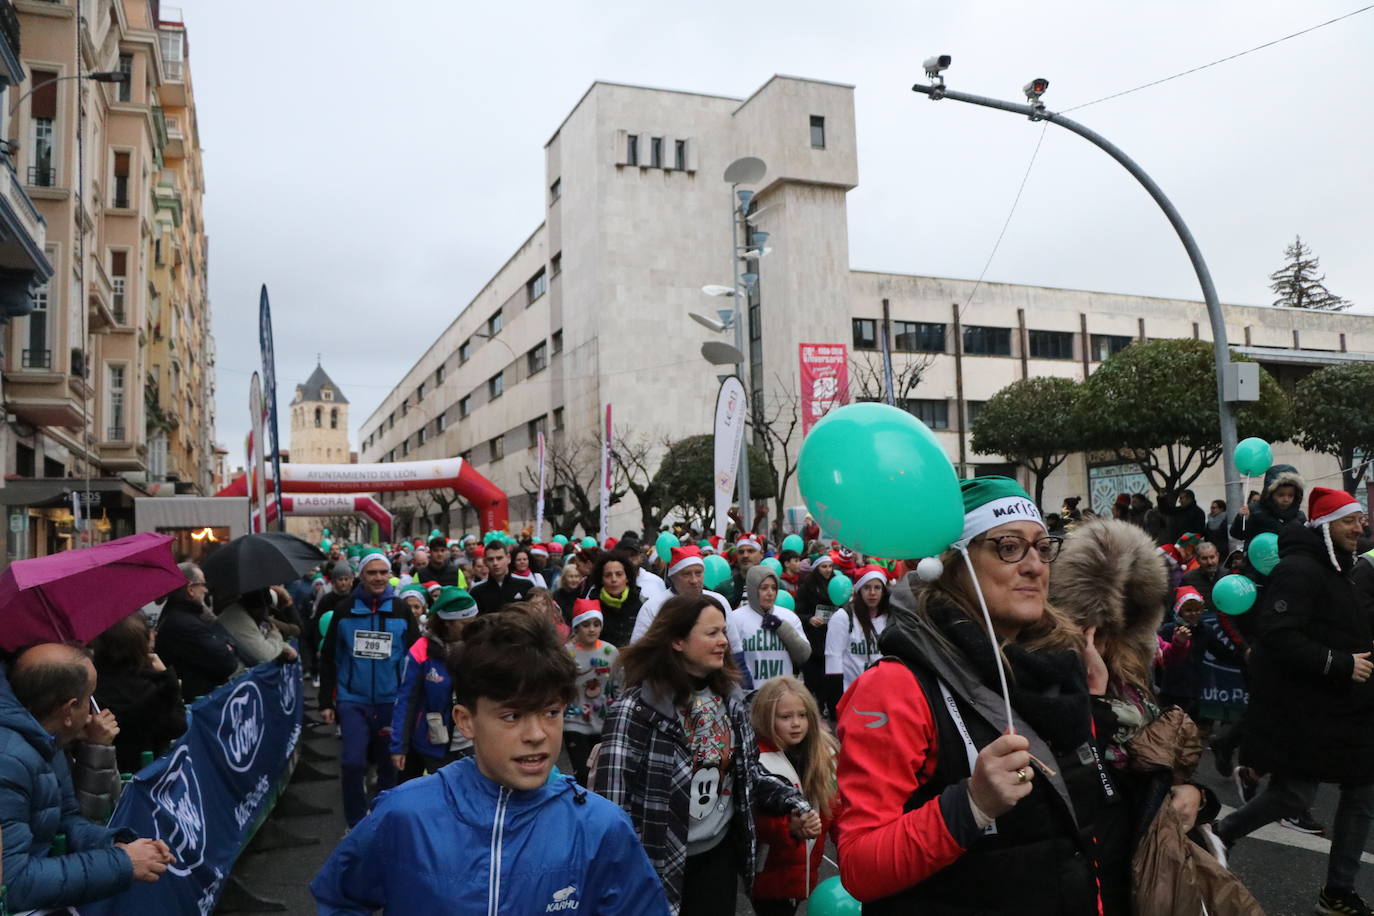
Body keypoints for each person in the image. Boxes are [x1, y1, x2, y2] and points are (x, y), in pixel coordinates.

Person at [835, 476, 1123, 914]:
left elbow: (1072, 821)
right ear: (954, 565)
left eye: (1043, 548)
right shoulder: (894, 687)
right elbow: (859, 866)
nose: (1034, 566)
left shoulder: (1063, 667)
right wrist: (971, 805)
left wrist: (1100, 711)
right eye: (1009, 546)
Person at [312, 611, 668, 915]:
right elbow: (339, 897)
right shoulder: (402, 815)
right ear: (465, 721)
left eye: (551, 712)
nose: (537, 734)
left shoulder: (602, 828)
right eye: (512, 715)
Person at [595, 595, 807, 915]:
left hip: (716, 861)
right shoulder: (636, 709)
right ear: (678, 641)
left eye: (724, 632)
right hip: (654, 866)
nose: (724, 641)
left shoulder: (732, 703)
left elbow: (749, 775)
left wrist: (793, 802)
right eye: (712, 633)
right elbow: (611, 804)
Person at [1216, 487, 1374, 914]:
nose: (1359, 527)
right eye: (1349, 520)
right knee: (1294, 797)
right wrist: (1340, 663)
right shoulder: (1299, 569)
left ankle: (1338, 891)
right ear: (1325, 526)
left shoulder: (1344, 568)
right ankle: (1220, 833)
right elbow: (1279, 635)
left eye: (1360, 519)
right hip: (1309, 707)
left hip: (1349, 707)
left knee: (1361, 792)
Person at [0, 644, 175, 911]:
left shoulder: (45, 739)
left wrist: (113, 843)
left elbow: (66, 819)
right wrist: (123, 862)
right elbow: (13, 884)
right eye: (90, 697)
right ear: (69, 710)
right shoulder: (9, 761)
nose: (95, 713)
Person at [319, 551, 422, 828]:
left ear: (390, 575)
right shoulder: (344, 610)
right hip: (354, 700)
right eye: (371, 572)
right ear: (361, 576)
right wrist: (326, 702)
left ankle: (383, 818)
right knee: (353, 762)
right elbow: (328, 656)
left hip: (391, 700)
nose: (377, 578)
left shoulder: (401, 609)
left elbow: (416, 656)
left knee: (389, 765)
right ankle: (355, 822)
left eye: (382, 572)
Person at [750, 676, 835, 916]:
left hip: (805, 872)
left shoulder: (821, 754)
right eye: (786, 717)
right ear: (766, 717)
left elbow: (833, 807)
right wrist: (790, 828)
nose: (796, 724)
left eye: (802, 715)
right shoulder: (758, 760)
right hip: (770, 877)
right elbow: (752, 819)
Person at [390, 586, 478, 782]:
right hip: (433, 743)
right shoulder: (421, 650)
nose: (471, 628)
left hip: (472, 741)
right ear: (447, 623)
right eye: (464, 623)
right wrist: (399, 746)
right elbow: (405, 701)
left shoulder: (479, 647)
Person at [90, 614, 188, 774]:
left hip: (110, 771)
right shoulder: (150, 686)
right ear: (141, 645)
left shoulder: (93, 684)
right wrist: (168, 680)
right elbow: (177, 726)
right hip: (146, 773)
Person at [154, 562, 243, 702]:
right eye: (203, 584)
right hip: (197, 700)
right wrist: (226, 646)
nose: (206, 590)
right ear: (190, 589)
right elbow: (227, 663)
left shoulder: (182, 616)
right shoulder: (185, 624)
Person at [562, 598, 620, 785]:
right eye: (586, 625)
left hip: (603, 721)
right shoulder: (565, 653)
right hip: (574, 722)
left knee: (602, 774)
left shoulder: (610, 652)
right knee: (583, 774)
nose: (592, 629)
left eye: (596, 624)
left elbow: (618, 686)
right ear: (577, 627)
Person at [733, 565, 809, 688]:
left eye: (774, 588)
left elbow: (803, 655)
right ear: (753, 589)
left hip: (783, 695)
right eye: (764, 588)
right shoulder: (735, 619)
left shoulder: (788, 616)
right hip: (749, 696)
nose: (770, 593)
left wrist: (782, 628)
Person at [824, 565, 891, 704]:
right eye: (867, 587)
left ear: (884, 591)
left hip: (883, 696)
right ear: (859, 590)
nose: (872, 593)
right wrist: (836, 703)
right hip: (852, 697)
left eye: (877, 588)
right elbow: (833, 659)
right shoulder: (843, 617)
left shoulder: (890, 617)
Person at [795, 553, 836, 709]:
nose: (827, 570)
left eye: (830, 566)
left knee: (828, 679)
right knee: (812, 679)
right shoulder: (807, 587)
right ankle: (811, 708)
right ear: (816, 568)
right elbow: (798, 612)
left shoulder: (836, 584)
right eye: (823, 566)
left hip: (831, 638)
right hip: (812, 640)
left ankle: (826, 707)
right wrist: (809, 619)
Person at [218, 588, 299, 666]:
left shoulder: (252, 615)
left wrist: (285, 647)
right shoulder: (238, 619)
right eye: (265, 608)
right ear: (257, 607)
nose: (266, 612)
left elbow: (263, 636)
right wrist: (275, 634)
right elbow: (264, 656)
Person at [584, 549, 643, 648]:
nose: (614, 579)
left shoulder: (639, 605)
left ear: (627, 577)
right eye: (608, 575)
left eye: (619, 574)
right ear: (601, 579)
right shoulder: (591, 606)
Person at [468, 542, 529, 614]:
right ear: (485, 562)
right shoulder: (476, 592)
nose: (495, 563)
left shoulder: (526, 586)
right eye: (490, 559)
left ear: (508, 558)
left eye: (499, 558)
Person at [1183, 540, 1224, 609]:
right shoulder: (1188, 579)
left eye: (1212, 557)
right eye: (1204, 558)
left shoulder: (1227, 576)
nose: (1209, 562)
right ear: (1197, 559)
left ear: (1218, 556)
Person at [552, 560, 585, 625]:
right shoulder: (556, 595)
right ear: (564, 578)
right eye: (571, 576)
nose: (574, 580)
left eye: (577, 576)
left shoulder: (583, 594)